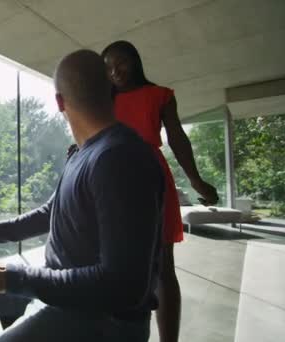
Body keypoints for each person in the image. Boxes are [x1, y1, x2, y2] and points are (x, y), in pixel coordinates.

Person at [0, 49, 165, 342]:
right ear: (112, 90)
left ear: (59, 101)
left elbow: (122, 287)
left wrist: (10, 277)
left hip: (98, 320)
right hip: (64, 301)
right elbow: (50, 213)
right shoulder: (85, 153)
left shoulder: (119, 158)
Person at [101, 40, 219, 342]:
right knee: (111, 261)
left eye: (122, 62)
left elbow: (177, 137)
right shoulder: (101, 100)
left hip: (151, 177)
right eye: (108, 65)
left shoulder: (160, 95)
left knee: (164, 266)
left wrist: (195, 179)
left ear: (136, 62)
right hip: (111, 178)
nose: (115, 71)